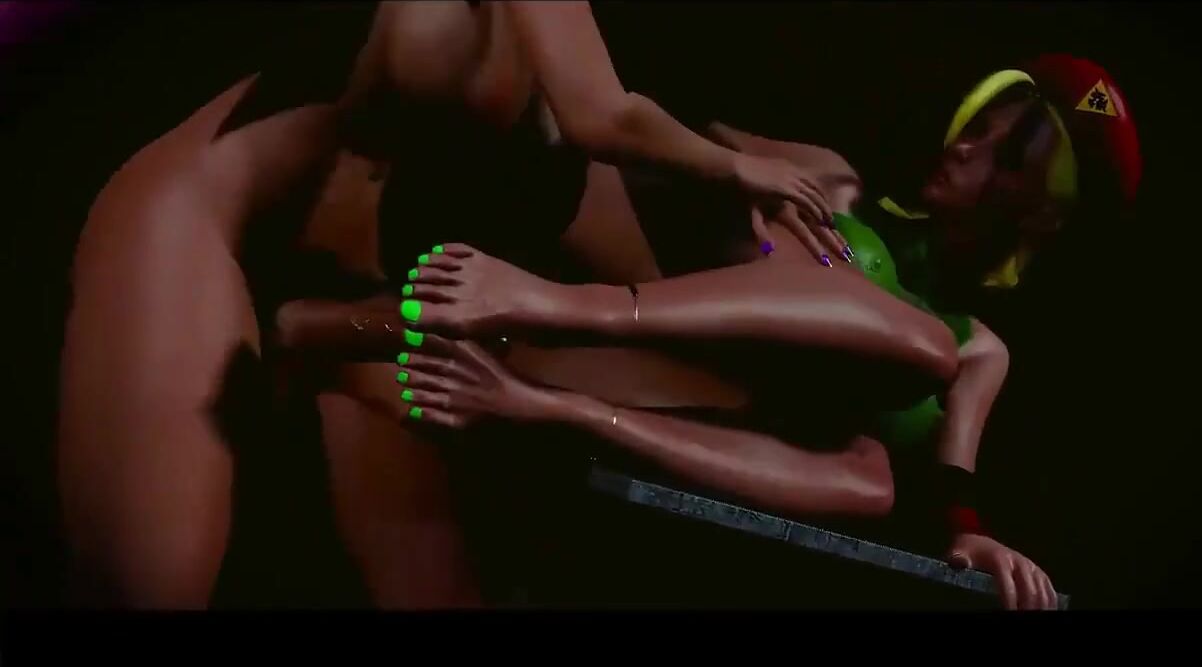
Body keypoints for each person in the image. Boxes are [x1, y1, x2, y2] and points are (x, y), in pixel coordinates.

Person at [57, 0, 846, 608]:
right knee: (154, 580)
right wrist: (735, 172)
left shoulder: (570, 109)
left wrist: (762, 174)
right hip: (220, 223)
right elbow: (601, 119)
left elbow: (603, 156)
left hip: (370, 288)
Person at [370, 53, 1140, 609]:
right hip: (654, 329)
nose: (965, 145)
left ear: (1038, 215)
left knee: (875, 474)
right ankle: (546, 306)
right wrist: (738, 187)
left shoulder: (974, 344)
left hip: (723, 426)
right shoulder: (831, 183)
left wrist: (973, 536)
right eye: (979, 124)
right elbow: (668, 137)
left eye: (1006, 155)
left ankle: (552, 404)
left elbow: (949, 488)